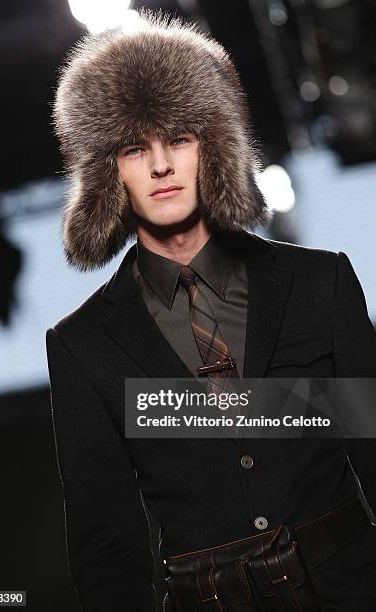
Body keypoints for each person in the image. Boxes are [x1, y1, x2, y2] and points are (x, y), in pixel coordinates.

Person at [46, 12, 376, 612]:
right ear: (106, 170)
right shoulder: (83, 346)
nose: (161, 166)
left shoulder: (317, 284)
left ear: (214, 145)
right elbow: (106, 548)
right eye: (133, 147)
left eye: (179, 137)